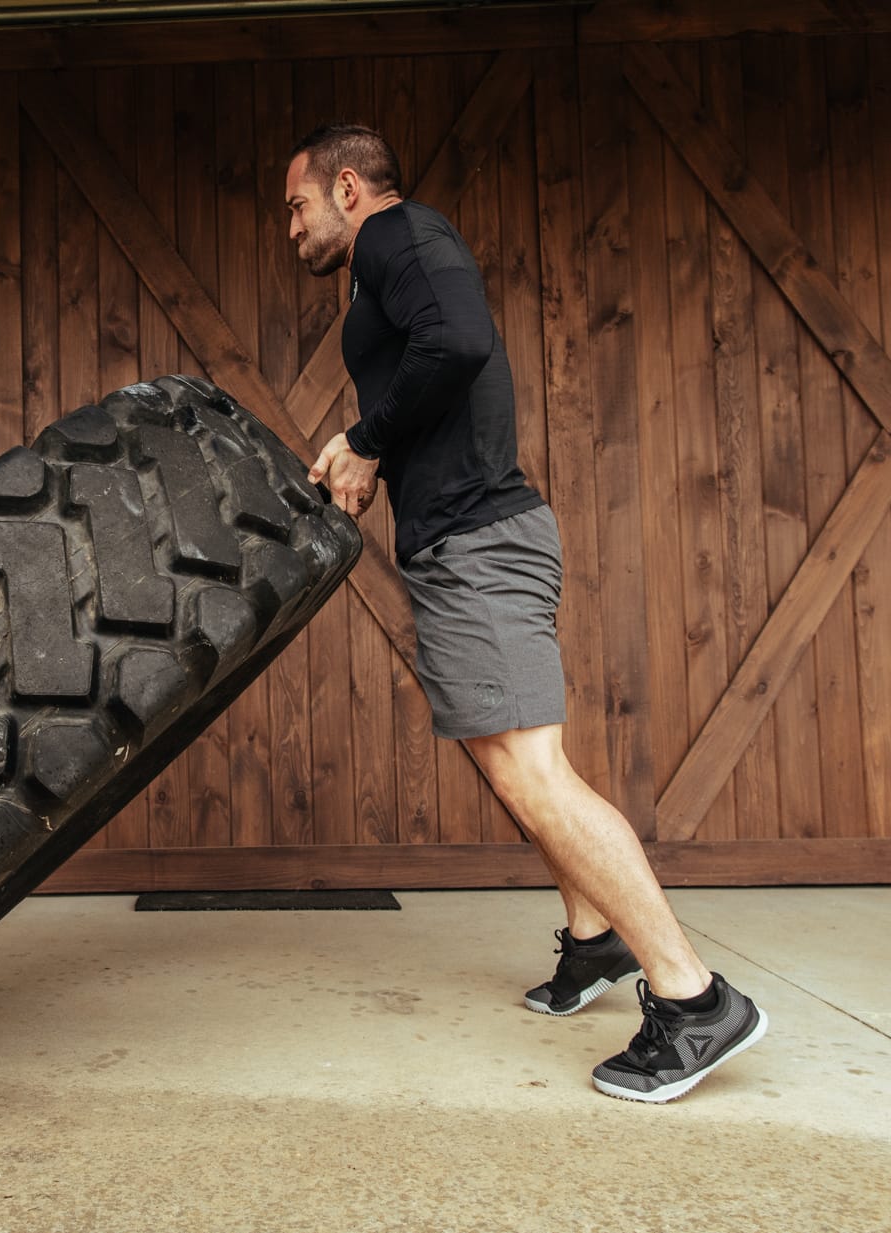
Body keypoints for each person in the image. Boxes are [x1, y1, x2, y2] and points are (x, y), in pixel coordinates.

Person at [285, 123, 767, 1103]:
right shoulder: (388, 261)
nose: (285, 226)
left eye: (292, 205)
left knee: (532, 774)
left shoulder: (394, 234)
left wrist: (366, 439)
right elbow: (439, 368)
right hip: (468, 541)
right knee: (514, 769)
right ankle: (592, 943)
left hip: (478, 543)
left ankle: (693, 997)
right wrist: (376, 453)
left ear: (345, 188)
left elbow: (458, 341)